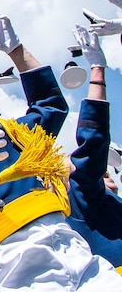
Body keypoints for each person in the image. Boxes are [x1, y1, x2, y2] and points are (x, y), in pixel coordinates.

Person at [0, 14, 119, 291]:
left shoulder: (11, 134)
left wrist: (17, 51)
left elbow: (50, 107)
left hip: (71, 244)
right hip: (16, 261)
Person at [65, 25, 122, 267]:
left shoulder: (113, 206)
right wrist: (97, 70)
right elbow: (93, 140)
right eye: (100, 172)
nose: (104, 173)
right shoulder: (81, 200)